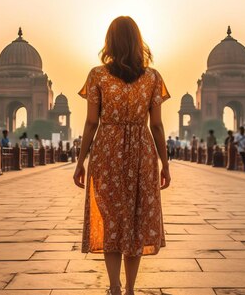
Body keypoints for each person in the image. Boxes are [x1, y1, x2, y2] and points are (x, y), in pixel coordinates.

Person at [73, 16, 170, 295]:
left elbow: (92, 123)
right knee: (136, 219)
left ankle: (114, 286)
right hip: (142, 150)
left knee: (112, 218)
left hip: (107, 150)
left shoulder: (98, 75)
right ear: (138, 42)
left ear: (109, 42)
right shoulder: (153, 77)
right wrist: (165, 163)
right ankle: (129, 289)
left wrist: (81, 161)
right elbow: (157, 125)